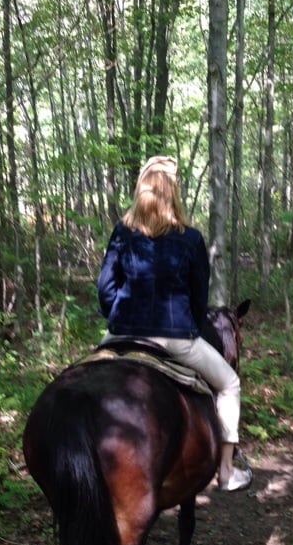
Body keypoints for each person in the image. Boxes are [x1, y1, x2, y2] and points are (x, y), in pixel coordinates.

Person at [97, 155, 252, 492]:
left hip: (120, 334)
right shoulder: (191, 239)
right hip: (173, 338)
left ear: (141, 191)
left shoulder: (122, 232)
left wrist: (118, 319)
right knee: (229, 384)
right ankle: (226, 472)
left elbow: (105, 288)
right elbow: (199, 300)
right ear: (173, 193)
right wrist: (192, 328)